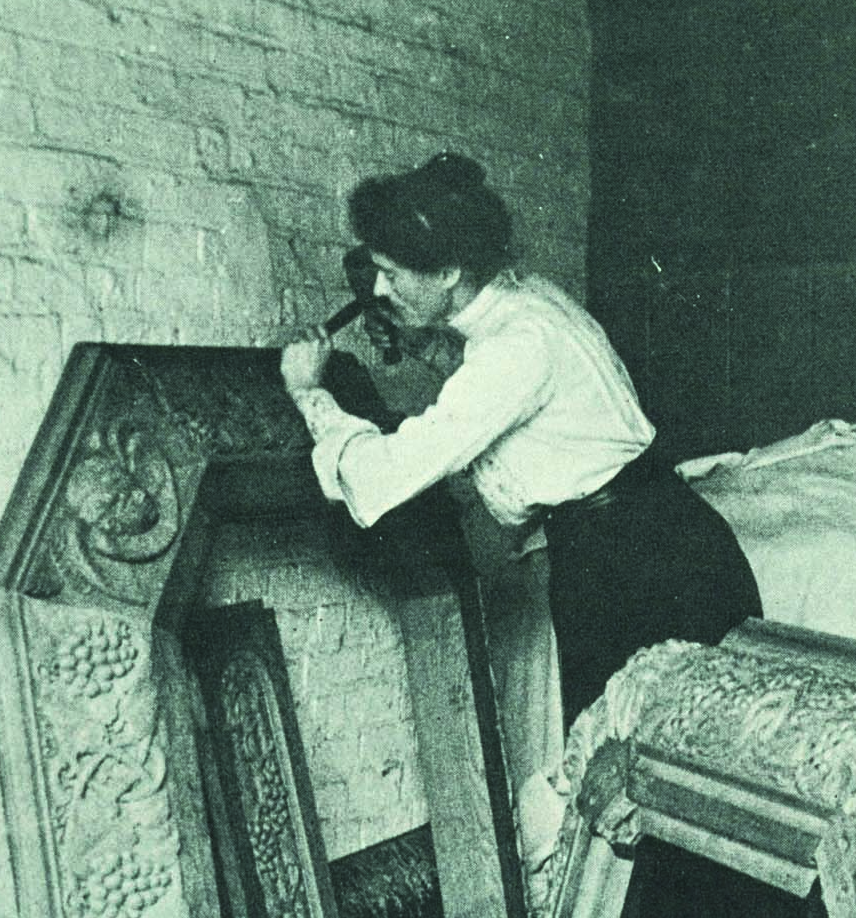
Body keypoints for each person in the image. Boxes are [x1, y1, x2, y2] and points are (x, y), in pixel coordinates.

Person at [280, 153, 760, 731]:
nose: (380, 288)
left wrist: (309, 392)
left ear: (451, 271)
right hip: (660, 540)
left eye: (394, 273)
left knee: (632, 767)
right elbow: (512, 409)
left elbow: (381, 477)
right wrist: (423, 346)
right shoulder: (532, 300)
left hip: (633, 571)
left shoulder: (515, 347)